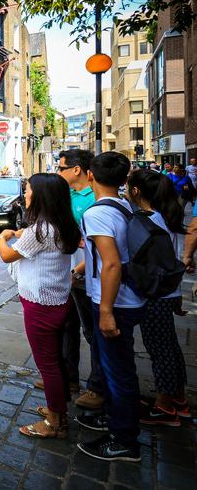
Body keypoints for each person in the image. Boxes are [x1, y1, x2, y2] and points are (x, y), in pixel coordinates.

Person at [0, 174, 82, 439]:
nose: (26, 195)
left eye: (29, 190)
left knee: (48, 365)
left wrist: (3, 236)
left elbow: (7, 255)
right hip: (58, 299)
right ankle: (57, 407)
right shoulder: (61, 225)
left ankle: (56, 421)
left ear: (42, 195)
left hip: (41, 305)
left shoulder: (40, 230)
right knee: (54, 359)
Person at [74, 151, 143, 462]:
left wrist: (105, 311)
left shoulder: (97, 213)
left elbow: (112, 263)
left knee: (118, 372)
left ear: (90, 176)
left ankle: (124, 440)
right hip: (126, 299)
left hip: (114, 302)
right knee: (116, 366)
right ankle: (115, 420)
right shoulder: (123, 205)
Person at [125, 169, 190, 425]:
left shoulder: (146, 220)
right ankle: (178, 399)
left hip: (155, 293)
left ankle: (164, 406)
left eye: (129, 187)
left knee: (159, 348)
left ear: (137, 191)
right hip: (169, 289)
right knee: (170, 346)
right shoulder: (167, 217)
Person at [55, 149, 102, 410]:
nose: (58, 172)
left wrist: (79, 271)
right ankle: (68, 379)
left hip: (85, 274)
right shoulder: (65, 195)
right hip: (66, 271)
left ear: (76, 170)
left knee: (91, 330)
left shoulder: (95, 196)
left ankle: (97, 386)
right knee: (66, 326)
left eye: (61, 168)